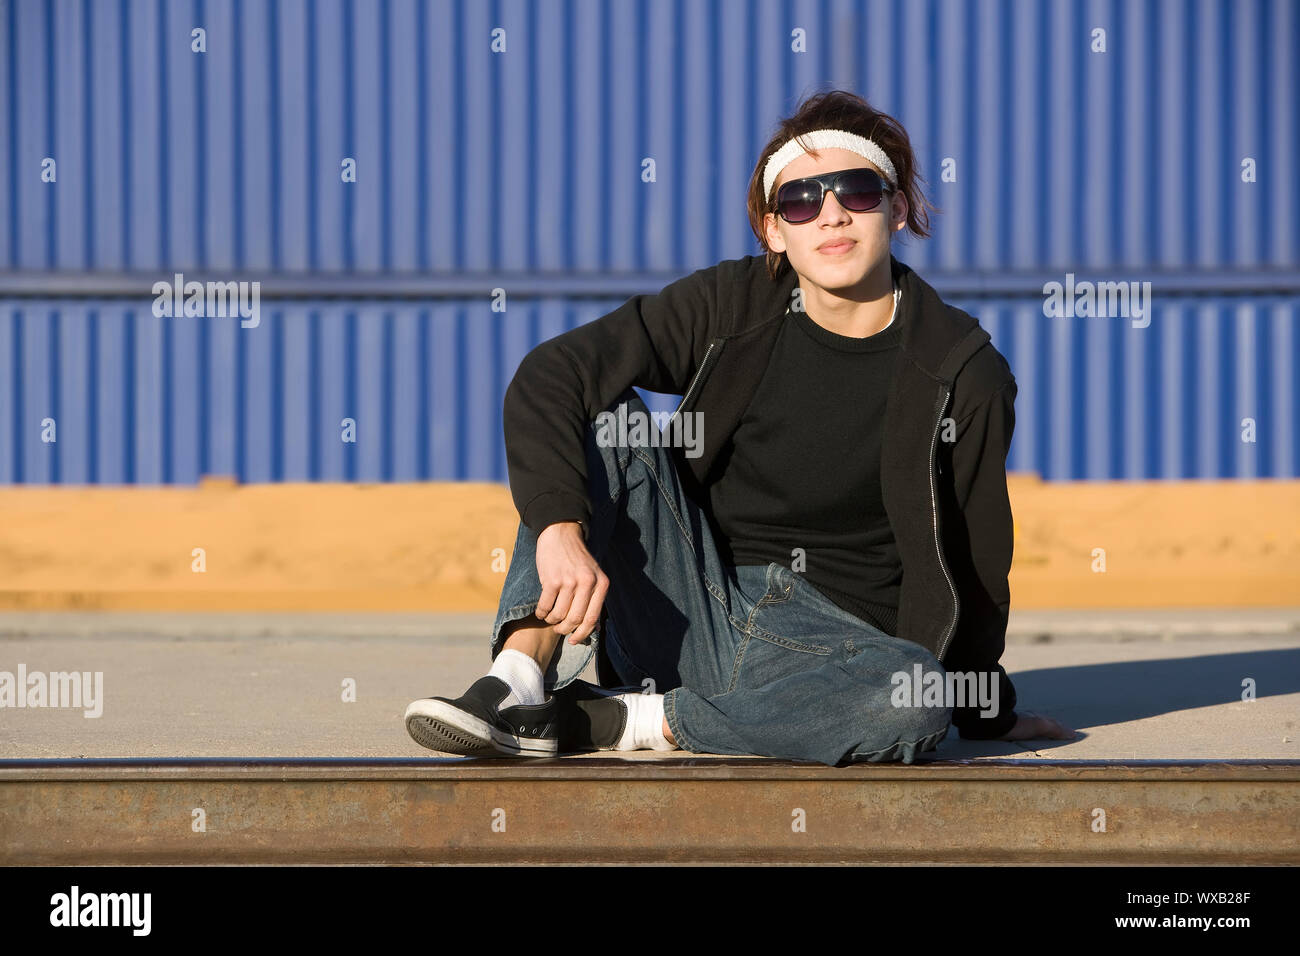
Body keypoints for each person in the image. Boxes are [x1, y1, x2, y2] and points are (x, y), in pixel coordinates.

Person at [405, 89, 1076, 766]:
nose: (831, 214)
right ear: (774, 230)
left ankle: (614, 722)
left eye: (857, 190)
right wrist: (558, 525)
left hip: (829, 650)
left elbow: (977, 556)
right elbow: (554, 372)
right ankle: (515, 683)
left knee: (913, 699)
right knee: (607, 414)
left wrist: (987, 709)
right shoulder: (732, 304)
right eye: (800, 200)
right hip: (687, 604)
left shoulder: (963, 370)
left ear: (897, 209)